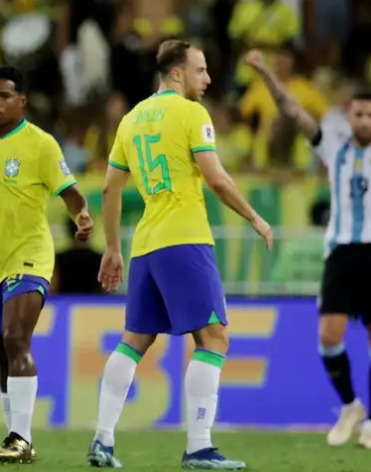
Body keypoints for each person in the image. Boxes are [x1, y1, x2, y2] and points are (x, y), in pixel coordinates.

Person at [88, 41, 272, 470]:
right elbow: (216, 177)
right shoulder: (191, 114)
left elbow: (109, 188)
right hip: (185, 238)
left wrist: (113, 247)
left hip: (146, 245)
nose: (207, 79)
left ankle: (102, 440)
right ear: (176, 74)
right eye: (201, 70)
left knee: (134, 340)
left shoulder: (131, 120)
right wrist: (254, 217)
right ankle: (199, 447)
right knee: (214, 337)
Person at [245, 49, 371, 450]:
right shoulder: (334, 149)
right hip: (340, 255)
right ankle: (351, 405)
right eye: (358, 114)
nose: (364, 120)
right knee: (329, 337)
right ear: (349, 118)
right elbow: (293, 112)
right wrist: (265, 74)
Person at [0, 65, 93, 464]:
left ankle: (21, 437)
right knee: (1, 350)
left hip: (31, 255)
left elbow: (71, 192)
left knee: (14, 338)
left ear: (21, 101)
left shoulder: (41, 145)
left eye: (4, 96)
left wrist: (82, 217)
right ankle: (15, 441)